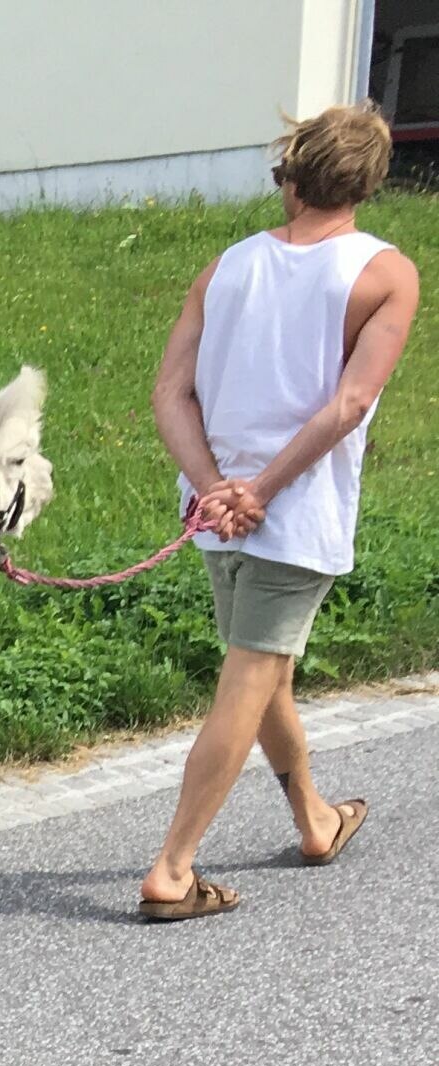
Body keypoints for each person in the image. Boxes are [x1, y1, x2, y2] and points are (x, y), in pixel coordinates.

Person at [140, 103, 419, 921]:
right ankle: (173, 868)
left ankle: (315, 820)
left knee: (267, 675)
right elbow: (351, 402)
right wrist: (258, 492)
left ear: (292, 177)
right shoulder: (384, 272)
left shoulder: (224, 267)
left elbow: (169, 393)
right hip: (286, 519)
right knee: (248, 681)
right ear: (366, 184)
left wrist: (213, 485)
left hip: (218, 516)